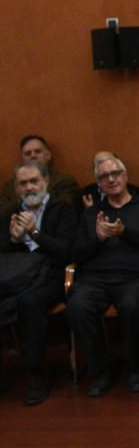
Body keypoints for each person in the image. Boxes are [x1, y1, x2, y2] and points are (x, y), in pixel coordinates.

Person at [67, 156, 139, 396]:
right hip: (95, 279)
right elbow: (76, 254)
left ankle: (135, 370)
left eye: (115, 174)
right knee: (78, 305)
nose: (111, 179)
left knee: (132, 305)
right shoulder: (92, 214)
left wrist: (125, 233)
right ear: (98, 183)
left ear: (125, 175)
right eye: (104, 177)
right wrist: (98, 239)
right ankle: (100, 372)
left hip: (135, 277)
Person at [0, 161, 77, 405]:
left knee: (29, 302)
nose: (29, 187)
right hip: (17, 277)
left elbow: (67, 252)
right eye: (23, 183)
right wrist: (14, 239)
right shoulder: (8, 213)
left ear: (45, 182)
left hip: (53, 275)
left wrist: (35, 234)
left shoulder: (62, 209)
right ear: (16, 187)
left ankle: (36, 375)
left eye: (34, 181)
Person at [0, 135, 80, 213]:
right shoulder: (10, 186)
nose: (33, 156)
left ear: (48, 156)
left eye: (38, 151)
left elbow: (65, 208)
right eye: (28, 153)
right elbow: (3, 212)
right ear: (22, 159)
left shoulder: (65, 182)